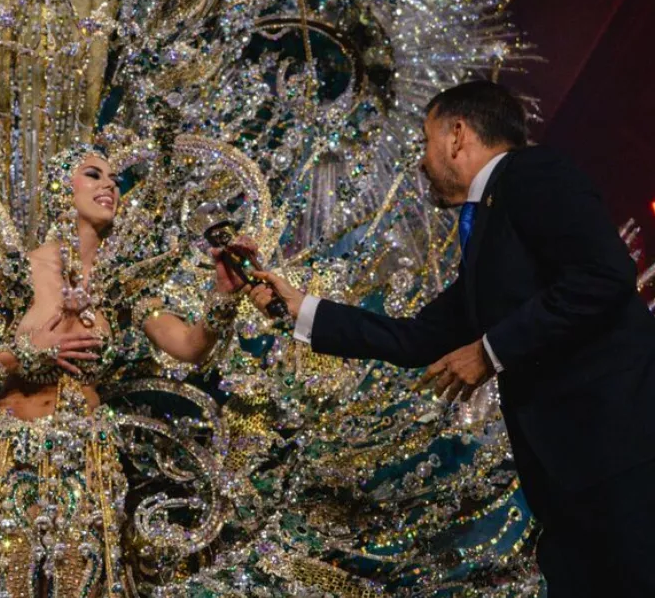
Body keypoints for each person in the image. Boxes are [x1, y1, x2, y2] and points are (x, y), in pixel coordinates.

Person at [244, 81, 655, 597]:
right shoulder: (488, 226)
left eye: (425, 139)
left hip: (623, 457)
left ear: (457, 134)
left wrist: (489, 352)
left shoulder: (532, 174)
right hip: (570, 485)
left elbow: (601, 277)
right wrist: (296, 307)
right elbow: (417, 338)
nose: (420, 160)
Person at [0, 144, 246, 598]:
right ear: (65, 191)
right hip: (8, 452)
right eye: (93, 174)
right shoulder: (18, 270)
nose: (110, 185)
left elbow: (188, 347)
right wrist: (19, 356)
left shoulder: (122, 283)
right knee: (8, 581)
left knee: (83, 583)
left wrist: (222, 298)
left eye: (115, 179)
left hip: (87, 457)